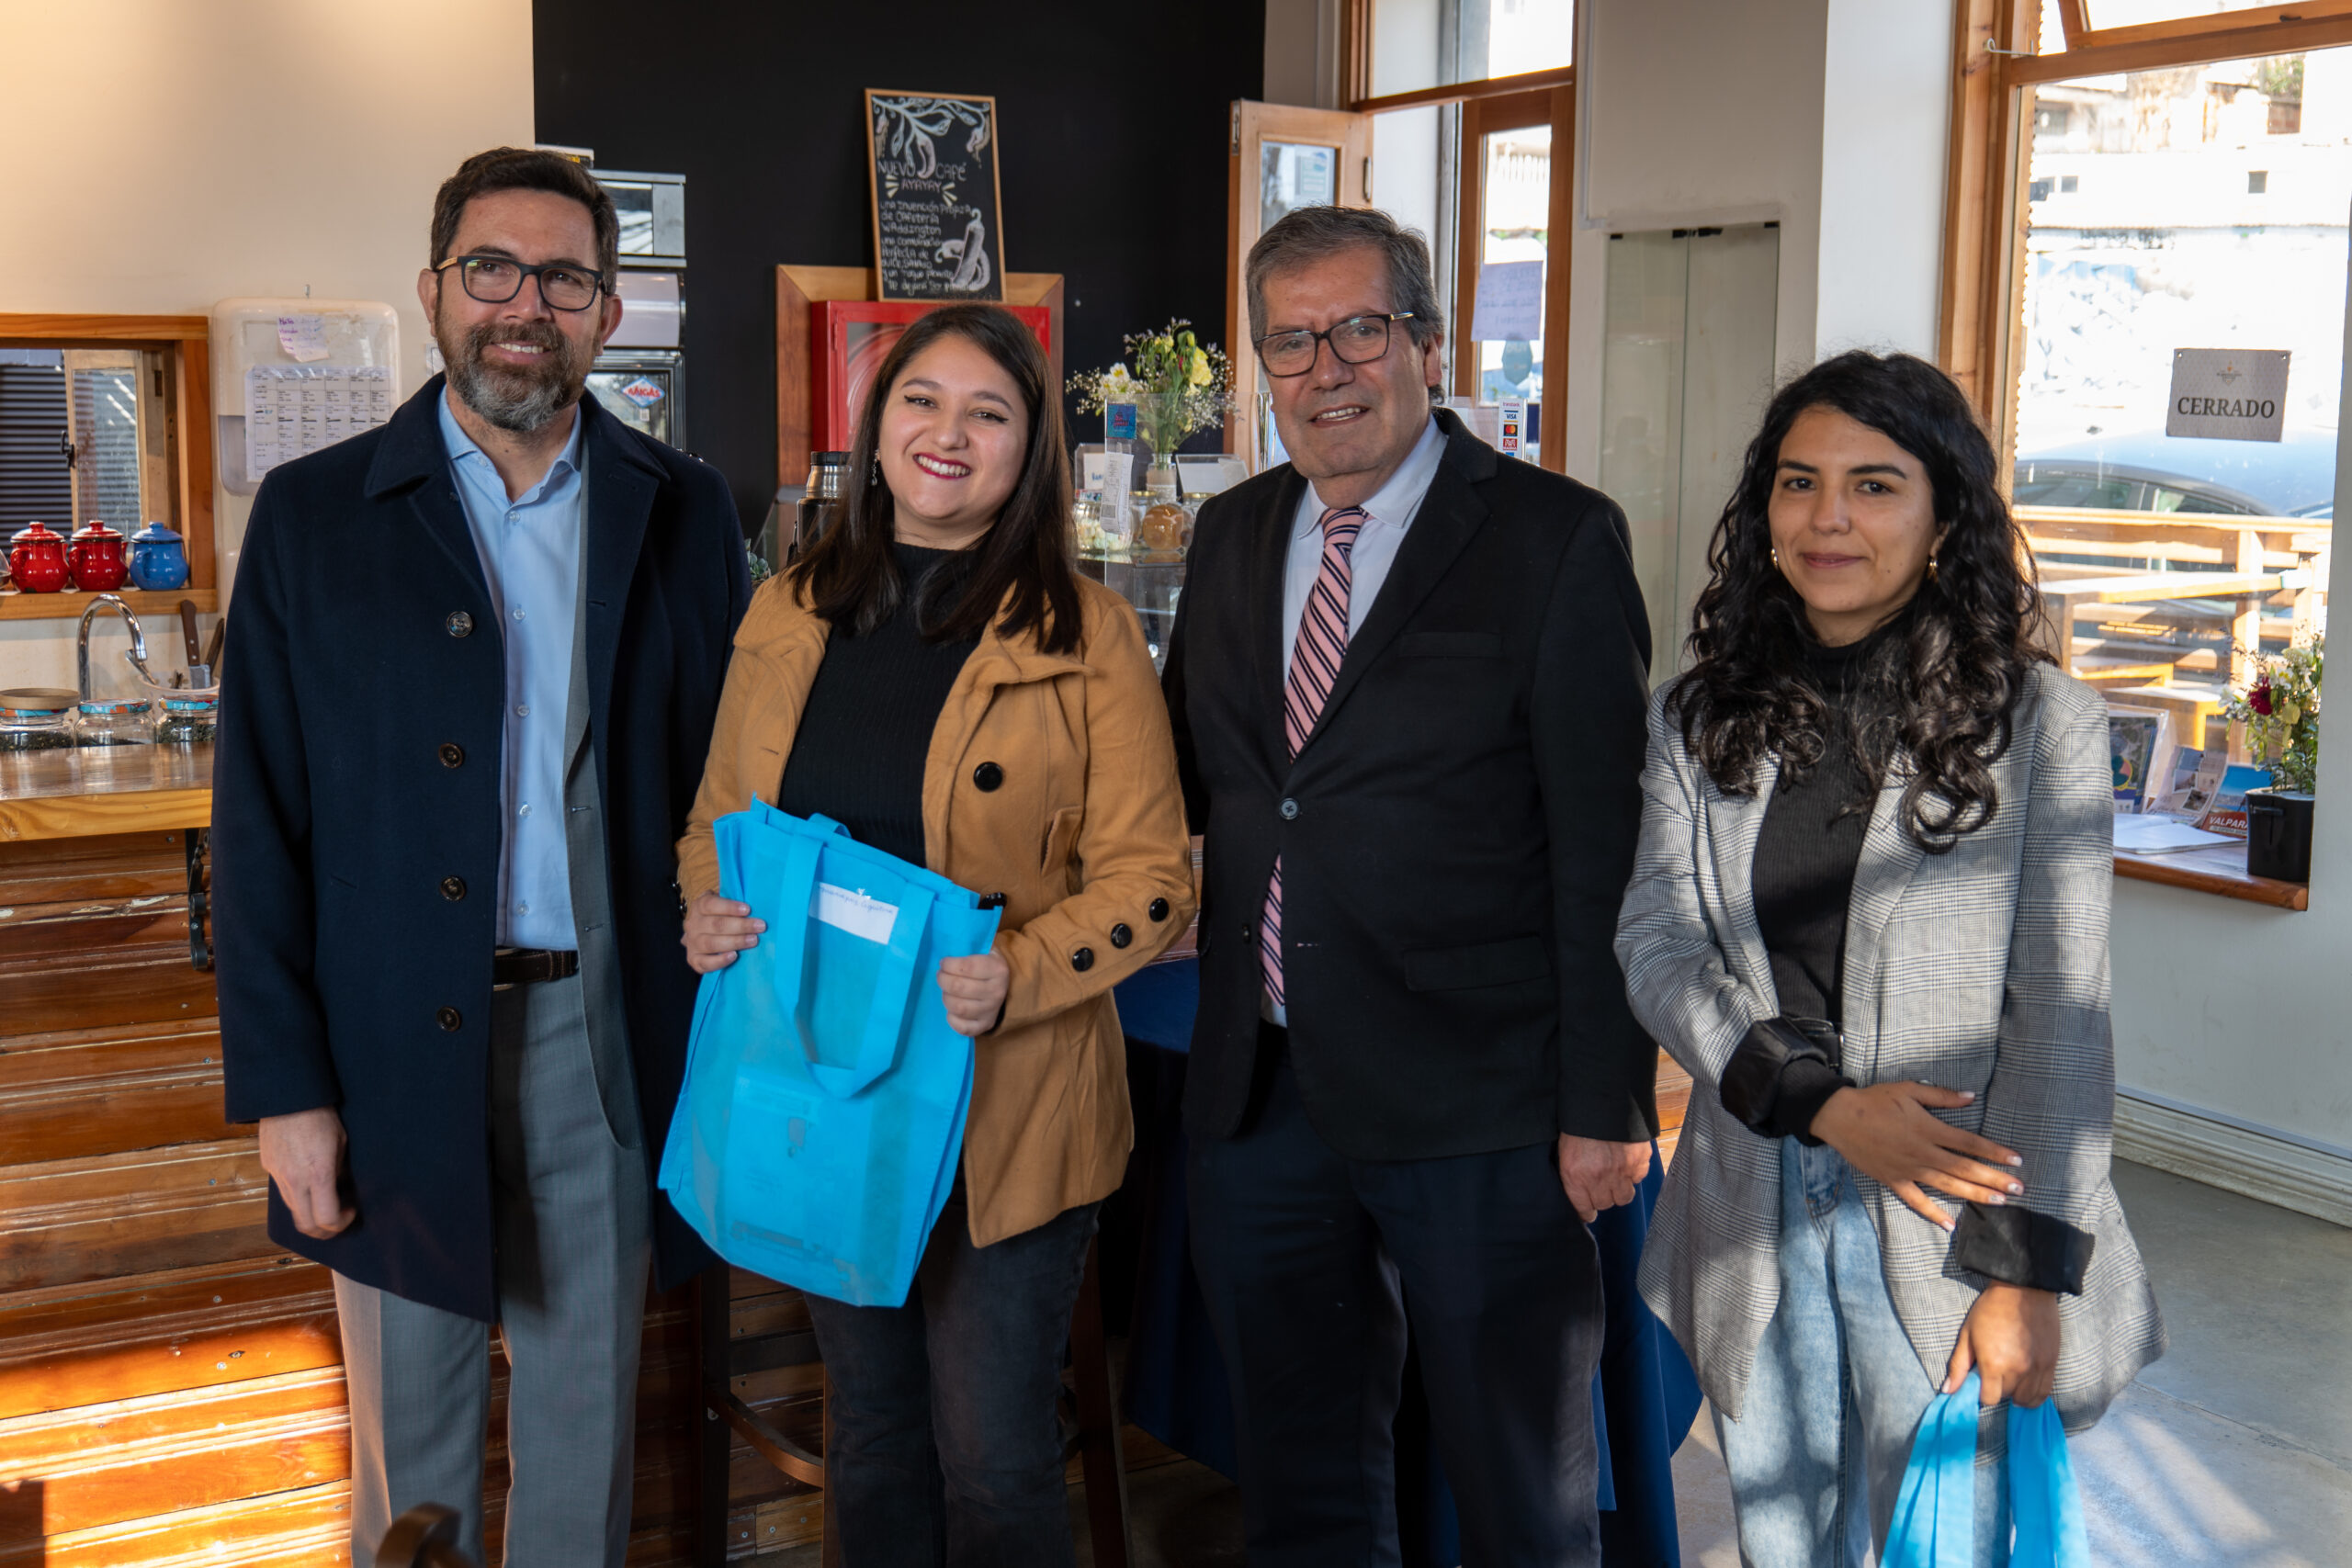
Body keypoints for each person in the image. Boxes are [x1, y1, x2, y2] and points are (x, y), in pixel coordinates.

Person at [214, 147, 752, 1568]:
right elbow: (256, 820)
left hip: (609, 1044)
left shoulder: (688, 510)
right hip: (385, 1048)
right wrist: (286, 1092)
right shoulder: (314, 514)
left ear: (609, 306)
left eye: (565, 276)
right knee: (415, 1458)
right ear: (435, 289)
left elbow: (737, 780)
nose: (527, 304)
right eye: (493, 270)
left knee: (587, 1439)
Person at [1161, 204, 1659, 1566]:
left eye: (1358, 331)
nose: (1326, 369)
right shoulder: (1233, 534)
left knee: (1519, 1498)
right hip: (1261, 1098)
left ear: (1430, 345)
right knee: (1304, 1486)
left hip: (1483, 1110)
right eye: (1290, 342)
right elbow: (1199, 780)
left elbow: (1606, 845)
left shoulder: (1555, 541)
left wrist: (1605, 1102)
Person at [1615, 351, 2165, 1565]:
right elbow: (1651, 938)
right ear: (1761, 513)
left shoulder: (2042, 730)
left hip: (1952, 1221)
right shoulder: (1696, 716)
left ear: (1942, 517)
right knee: (1781, 1538)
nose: (1828, 518)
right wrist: (1818, 1107)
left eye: (1874, 485)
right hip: (1752, 1191)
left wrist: (2025, 1276)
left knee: (1935, 1543)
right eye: (1799, 483)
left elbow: (2061, 1021)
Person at [676, 303, 1196, 1566]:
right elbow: (718, 823)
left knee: (995, 1458)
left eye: (989, 412)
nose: (947, 435)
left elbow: (1153, 879)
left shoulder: (1087, 633)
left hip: (1007, 1098)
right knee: (872, 1429)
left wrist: (1020, 974)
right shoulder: (791, 609)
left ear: (1031, 451)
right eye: (921, 401)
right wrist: (707, 907)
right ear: (878, 422)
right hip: (829, 1083)